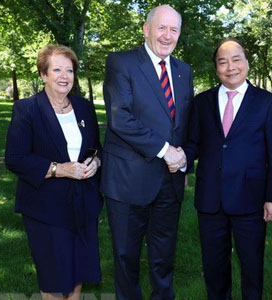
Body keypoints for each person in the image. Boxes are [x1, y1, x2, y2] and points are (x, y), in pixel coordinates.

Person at [101, 5, 193, 300]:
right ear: (146, 29)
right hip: (128, 181)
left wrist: (183, 159)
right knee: (126, 258)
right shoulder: (122, 63)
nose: (167, 36)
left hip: (169, 182)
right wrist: (166, 151)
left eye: (174, 30)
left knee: (164, 258)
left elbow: (184, 123)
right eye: (161, 28)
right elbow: (121, 119)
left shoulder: (183, 71)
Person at [182, 38, 272, 300]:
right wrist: (181, 165)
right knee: (214, 268)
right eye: (222, 61)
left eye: (236, 59)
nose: (230, 67)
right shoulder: (201, 102)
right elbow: (193, 143)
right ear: (216, 67)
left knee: (252, 266)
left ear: (247, 63)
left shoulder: (267, 102)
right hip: (210, 199)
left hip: (250, 199)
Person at [5, 45, 103, 300]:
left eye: (69, 70)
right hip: (45, 207)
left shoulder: (84, 107)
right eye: (56, 69)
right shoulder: (27, 109)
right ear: (43, 74)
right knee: (54, 277)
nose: (64, 76)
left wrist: (95, 163)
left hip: (84, 205)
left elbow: (96, 149)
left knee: (79, 271)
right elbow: (15, 158)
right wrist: (59, 169)